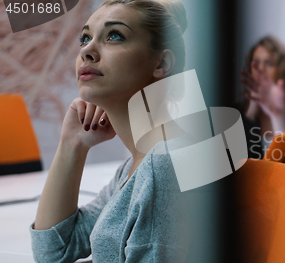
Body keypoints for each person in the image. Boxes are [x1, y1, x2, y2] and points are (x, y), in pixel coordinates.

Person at [30, 0, 190, 262]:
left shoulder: (164, 167)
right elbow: (54, 251)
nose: (87, 51)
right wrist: (72, 144)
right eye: (85, 38)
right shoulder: (136, 167)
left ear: (161, 64)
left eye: (114, 35)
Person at [240, 36, 285, 159]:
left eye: (268, 63)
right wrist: (251, 112)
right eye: (256, 63)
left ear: (282, 70)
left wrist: (279, 114)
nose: (261, 69)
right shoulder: (236, 113)